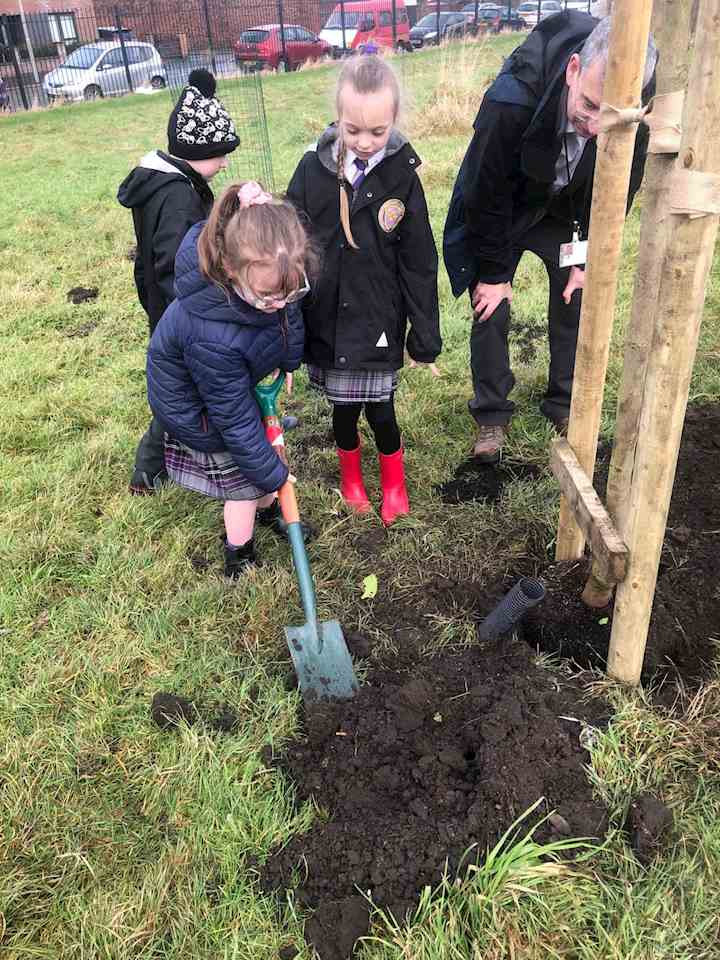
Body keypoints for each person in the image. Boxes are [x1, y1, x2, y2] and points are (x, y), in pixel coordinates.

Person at [443, 12, 657, 462]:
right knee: (490, 300)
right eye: (590, 106)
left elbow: (621, 186)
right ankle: (492, 413)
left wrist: (587, 259)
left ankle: (564, 402)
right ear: (573, 70)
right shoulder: (512, 101)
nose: (596, 126)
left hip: (566, 208)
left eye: (611, 118)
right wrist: (497, 273)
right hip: (508, 201)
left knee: (576, 293)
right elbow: (486, 191)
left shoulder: (635, 96)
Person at [287, 54, 441, 525]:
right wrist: (288, 329)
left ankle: (393, 481)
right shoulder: (313, 170)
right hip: (329, 315)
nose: (366, 142)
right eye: (354, 131)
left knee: (381, 410)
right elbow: (292, 245)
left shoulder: (401, 176)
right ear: (338, 116)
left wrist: (425, 337)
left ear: (393, 120)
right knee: (343, 410)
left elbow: (418, 260)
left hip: (378, 315)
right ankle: (351, 477)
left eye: (378, 131)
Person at [146, 181, 315, 579]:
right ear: (229, 270)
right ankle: (239, 555)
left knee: (263, 461)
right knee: (244, 483)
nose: (279, 304)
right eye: (269, 296)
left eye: (289, 294)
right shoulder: (210, 334)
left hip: (232, 389)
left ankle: (270, 506)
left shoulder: (273, 283)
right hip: (200, 410)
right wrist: (272, 476)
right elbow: (234, 422)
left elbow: (286, 318)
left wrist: (289, 360)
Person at [118, 69, 239, 494]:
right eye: (221, 153)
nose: (225, 162)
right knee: (178, 393)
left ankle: (243, 425)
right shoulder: (177, 195)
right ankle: (148, 471)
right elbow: (174, 261)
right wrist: (193, 315)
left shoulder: (175, 183)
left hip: (169, 305)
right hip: (178, 311)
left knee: (187, 387)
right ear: (196, 150)